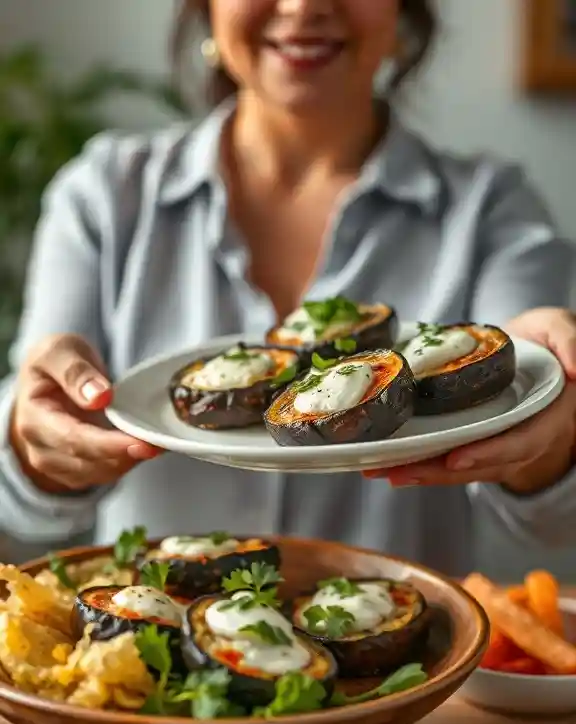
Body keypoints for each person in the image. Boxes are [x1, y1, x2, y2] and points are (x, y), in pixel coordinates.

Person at [1, 0, 576, 575]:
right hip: (149, 650)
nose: (303, 6)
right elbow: (21, 496)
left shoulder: (493, 208)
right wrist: (39, 445)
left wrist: (549, 422)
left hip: (412, 659)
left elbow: (553, 522)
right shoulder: (103, 195)